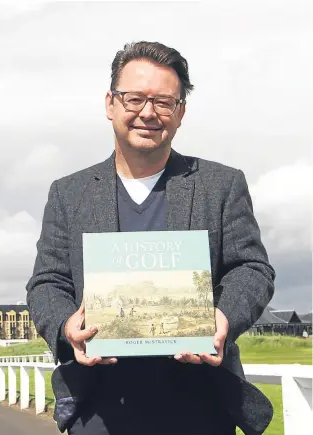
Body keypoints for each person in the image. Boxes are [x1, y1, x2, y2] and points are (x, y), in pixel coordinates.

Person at [25, 41, 275, 435]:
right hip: (99, 409)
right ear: (110, 104)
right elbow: (47, 283)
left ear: (180, 113)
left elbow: (252, 269)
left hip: (201, 406)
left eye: (163, 102)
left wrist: (223, 316)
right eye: (135, 98)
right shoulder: (68, 194)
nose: (148, 112)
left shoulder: (221, 185)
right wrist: (65, 325)